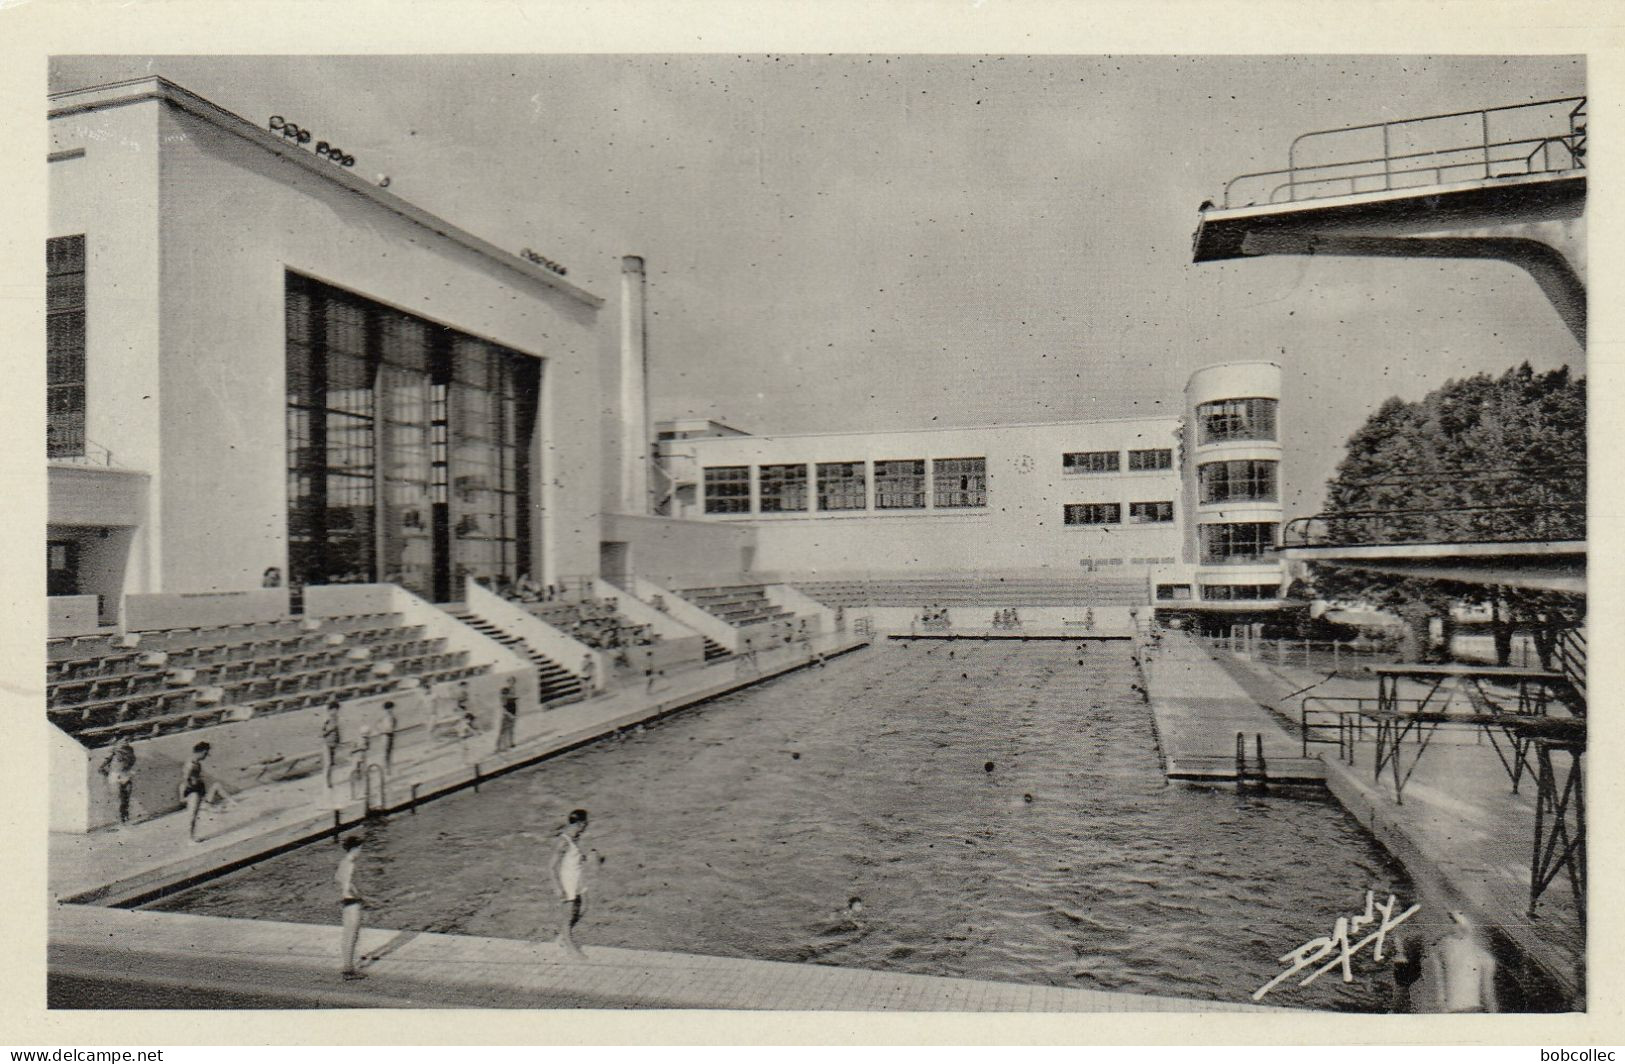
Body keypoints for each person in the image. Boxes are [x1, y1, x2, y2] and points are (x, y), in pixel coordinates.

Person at [1428, 911, 1499, 1013]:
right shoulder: (1484, 957)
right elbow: (1488, 996)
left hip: (1459, 1011)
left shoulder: (1483, 957)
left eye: (1455, 923)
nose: (1452, 927)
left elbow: (1488, 995)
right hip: (1461, 1011)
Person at [551, 808, 593, 959]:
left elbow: (574, 859)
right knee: (568, 916)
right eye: (586, 822)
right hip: (567, 881)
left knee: (585, 907)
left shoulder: (575, 839)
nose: (587, 825)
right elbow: (551, 866)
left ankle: (563, 935)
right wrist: (557, 886)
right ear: (581, 824)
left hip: (578, 880)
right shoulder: (564, 841)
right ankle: (569, 946)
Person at [179, 741, 234, 843]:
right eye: (205, 754)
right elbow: (184, 781)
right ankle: (190, 838)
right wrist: (184, 795)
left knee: (196, 813)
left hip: (198, 789)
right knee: (193, 815)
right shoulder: (191, 765)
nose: (206, 756)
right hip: (193, 791)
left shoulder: (196, 763)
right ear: (200, 752)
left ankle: (191, 836)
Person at [336, 835, 369, 979]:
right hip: (353, 902)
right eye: (360, 849)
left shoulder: (343, 862)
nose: (360, 852)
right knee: (353, 935)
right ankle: (349, 970)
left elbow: (337, 878)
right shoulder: (351, 863)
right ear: (354, 849)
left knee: (347, 934)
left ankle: (346, 965)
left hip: (345, 902)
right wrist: (361, 896)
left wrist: (345, 889)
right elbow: (349, 884)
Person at [99, 738, 136, 828]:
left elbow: (132, 762)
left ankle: (126, 818)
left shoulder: (130, 752)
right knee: (119, 800)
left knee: (126, 799)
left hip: (125, 775)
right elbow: (101, 768)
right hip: (115, 776)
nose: (126, 742)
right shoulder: (113, 754)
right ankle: (121, 821)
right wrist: (109, 775)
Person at [320, 700, 342, 788]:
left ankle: (329, 780)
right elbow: (321, 733)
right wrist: (330, 729)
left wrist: (338, 740)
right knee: (328, 763)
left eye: (337, 710)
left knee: (331, 764)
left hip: (333, 744)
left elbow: (337, 731)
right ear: (330, 710)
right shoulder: (327, 719)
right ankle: (327, 782)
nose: (336, 712)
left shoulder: (336, 718)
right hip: (326, 744)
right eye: (335, 710)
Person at [496, 681, 519, 752]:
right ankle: (500, 747)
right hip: (507, 716)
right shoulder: (504, 699)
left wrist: (513, 715)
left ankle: (508, 744)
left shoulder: (509, 698)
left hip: (511, 716)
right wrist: (511, 716)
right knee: (503, 731)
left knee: (509, 730)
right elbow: (504, 710)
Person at [378, 701, 398, 770]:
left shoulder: (391, 716)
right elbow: (379, 725)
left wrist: (392, 729)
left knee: (389, 751)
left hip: (390, 734)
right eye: (391, 708)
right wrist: (383, 730)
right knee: (385, 752)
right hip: (385, 735)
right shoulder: (384, 716)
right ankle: (385, 767)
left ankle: (388, 766)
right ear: (388, 708)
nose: (392, 710)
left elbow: (394, 723)